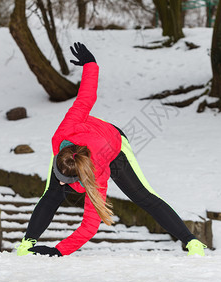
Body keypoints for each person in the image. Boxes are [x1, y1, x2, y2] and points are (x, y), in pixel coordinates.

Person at [16, 42, 207, 257]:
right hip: (85, 142)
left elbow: (90, 225)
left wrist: (58, 251)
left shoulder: (98, 175)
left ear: (84, 175)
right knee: (51, 193)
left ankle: (192, 242)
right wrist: (90, 65)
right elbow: (86, 97)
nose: (61, 181)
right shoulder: (65, 132)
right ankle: (26, 243)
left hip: (114, 147)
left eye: (67, 180)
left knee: (143, 196)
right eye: (60, 175)